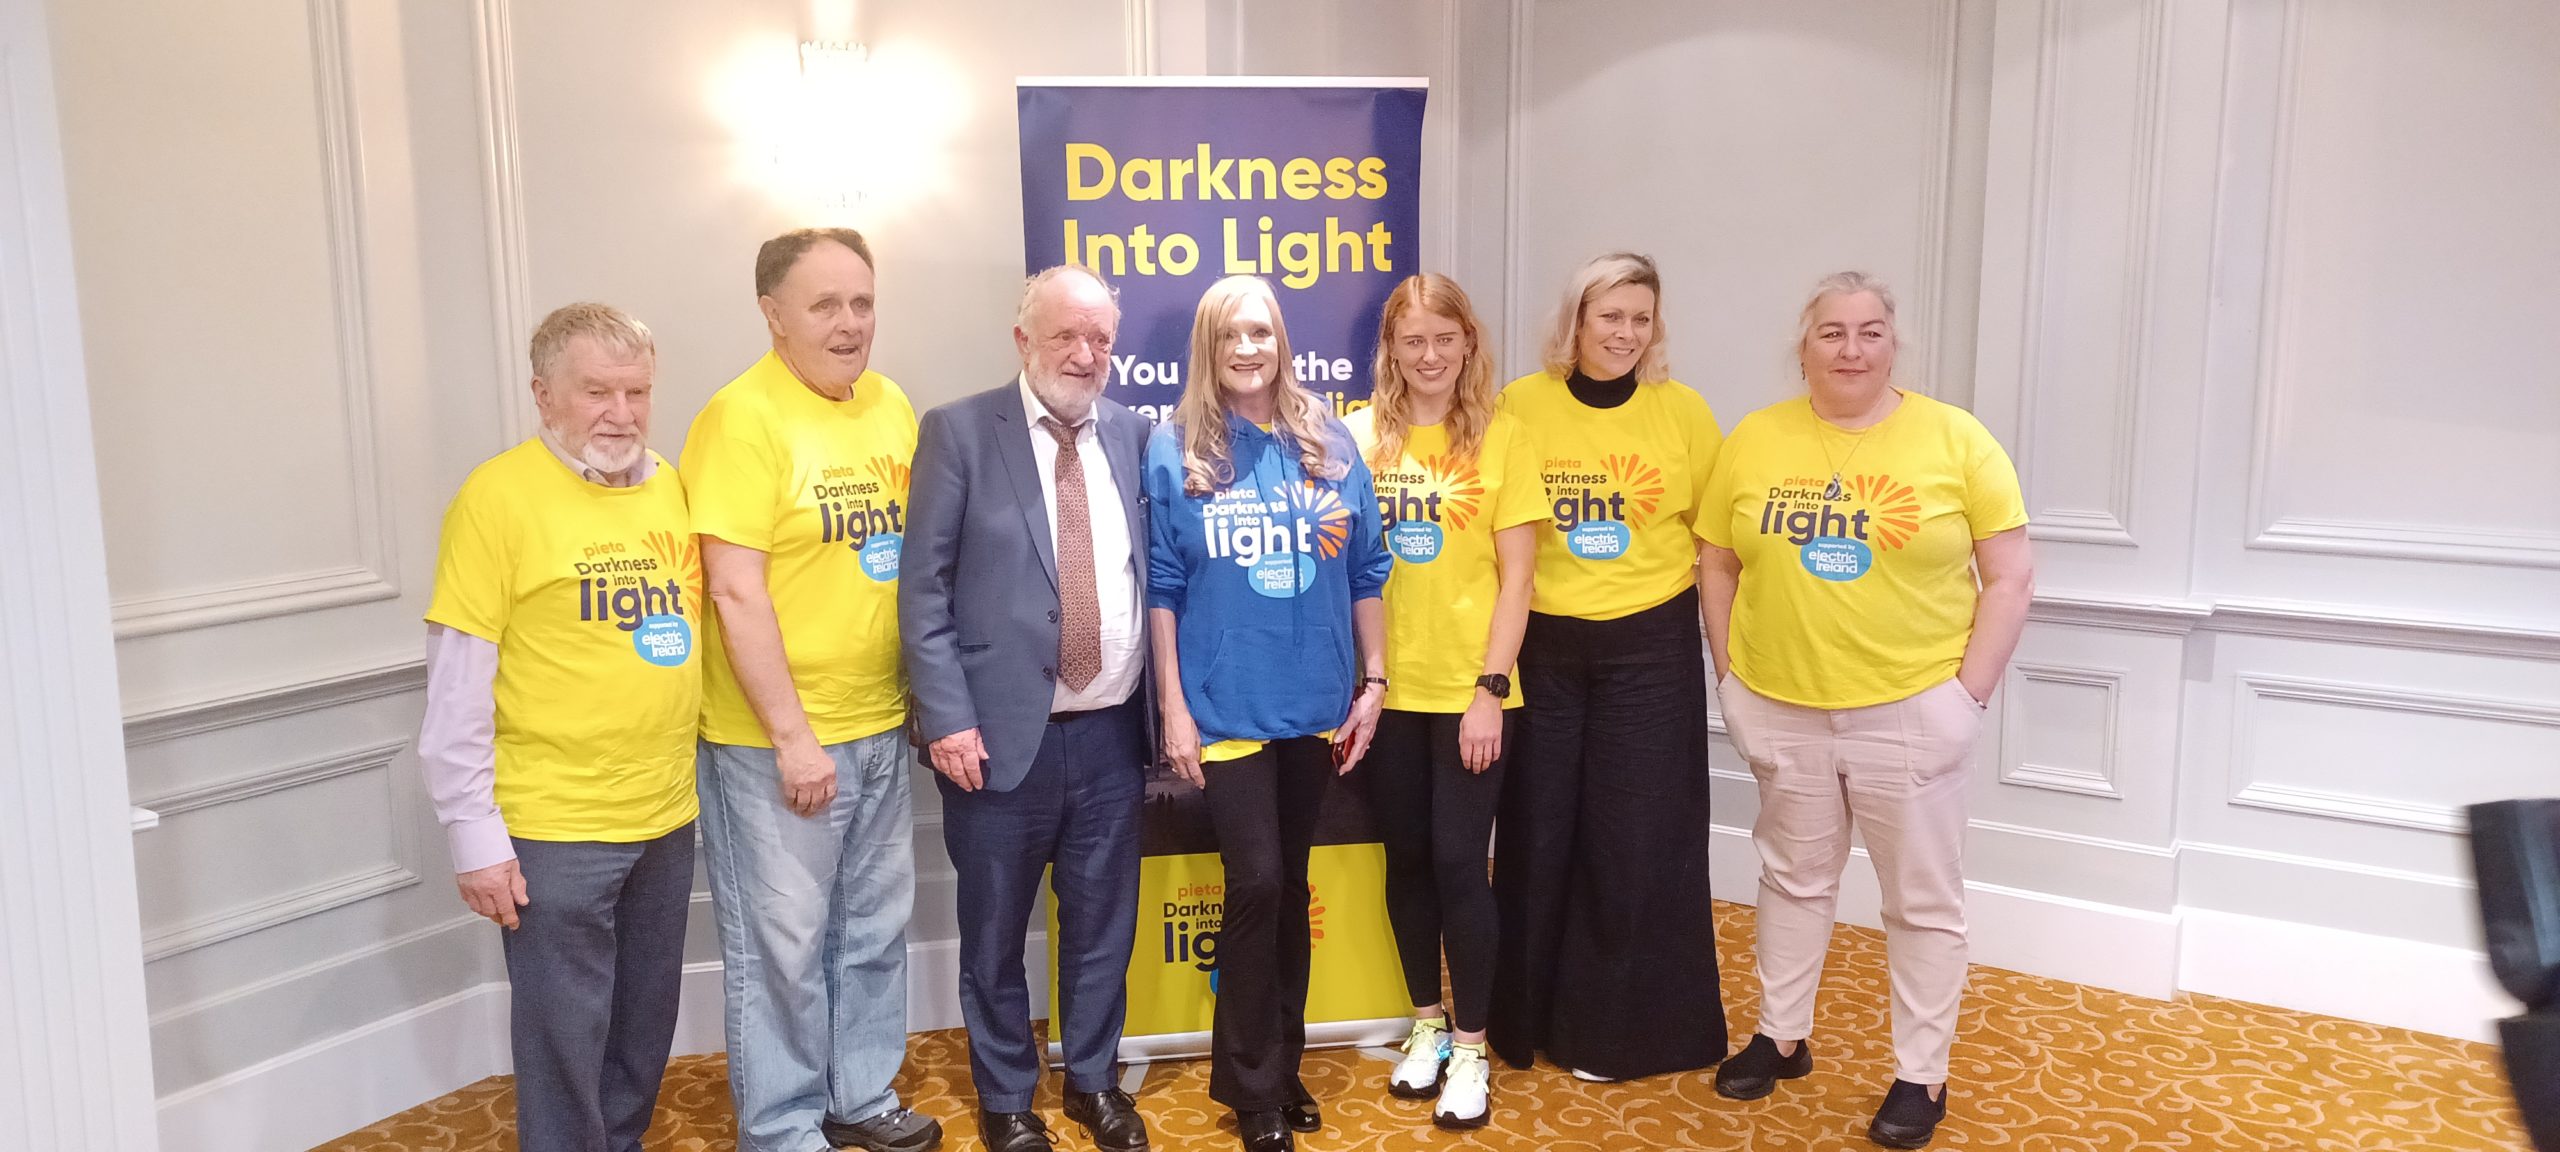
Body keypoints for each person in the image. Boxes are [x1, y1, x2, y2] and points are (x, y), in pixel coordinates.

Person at [1699, 271, 2033, 1149]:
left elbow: (2011, 576)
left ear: (1893, 343)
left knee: (1920, 902)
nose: (1852, 349)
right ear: (1804, 345)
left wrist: (1967, 695)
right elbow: (1717, 561)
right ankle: (1781, 1035)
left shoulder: (1956, 440)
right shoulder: (1756, 438)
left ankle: (1922, 1074)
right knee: (1792, 878)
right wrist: (1730, 678)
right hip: (1781, 703)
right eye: (1833, 333)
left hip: (1912, 708)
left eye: (1870, 332)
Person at [416, 302, 700, 1152]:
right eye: (597, 392)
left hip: (666, 815)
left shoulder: (671, 485)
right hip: (554, 827)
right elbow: (457, 685)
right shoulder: (495, 499)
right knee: (564, 1042)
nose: (622, 413)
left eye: (637, 392)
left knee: (642, 1025)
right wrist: (474, 834)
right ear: (544, 395)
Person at [680, 228, 938, 1152]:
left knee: (872, 930)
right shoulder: (740, 419)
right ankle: (784, 1127)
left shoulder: (890, 405)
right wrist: (793, 736)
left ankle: (859, 1095)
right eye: (825, 304)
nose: (849, 323)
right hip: (775, 742)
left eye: (862, 302)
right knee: (782, 948)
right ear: (773, 314)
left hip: (879, 724)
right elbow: (733, 589)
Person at [899, 265, 1153, 1152]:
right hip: (999, 739)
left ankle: (1093, 1082)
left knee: (1102, 928)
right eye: (1065, 336)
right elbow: (922, 592)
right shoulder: (961, 432)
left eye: (1100, 339)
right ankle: (1006, 1098)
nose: (1085, 355)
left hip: (1113, 735)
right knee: (995, 933)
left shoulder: (1134, 433)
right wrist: (946, 718)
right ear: (1023, 341)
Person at [1145, 275, 1393, 1152]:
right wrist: (1173, 706)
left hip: (1315, 704)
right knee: (1253, 881)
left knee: (1289, 885)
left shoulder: (1330, 438)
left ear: (1281, 340)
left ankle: (1283, 1065)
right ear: (1208, 348)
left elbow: (1367, 569)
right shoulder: (1175, 447)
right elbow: (1164, 586)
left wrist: (1374, 681)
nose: (1247, 349)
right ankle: (1250, 1085)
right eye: (1230, 335)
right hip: (1225, 709)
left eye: (1260, 332)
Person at [1486, 251, 1728, 1081]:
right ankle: (1524, 1021)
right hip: (1544, 646)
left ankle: (1618, 1034)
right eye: (1610, 316)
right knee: (1537, 829)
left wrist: (1729, 656)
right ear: (1577, 322)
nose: (1626, 333)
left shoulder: (1683, 412)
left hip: (1650, 646)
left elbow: (1714, 540)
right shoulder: (1521, 405)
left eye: (1640, 319)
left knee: (1637, 838)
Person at [1340, 273, 1542, 1130]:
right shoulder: (1355, 437)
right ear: (1391, 348)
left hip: (1472, 694)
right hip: (1387, 693)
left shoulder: (1505, 436)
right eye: (1413, 340)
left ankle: (1472, 1045)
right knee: (1409, 861)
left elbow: (1518, 579)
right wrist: (1366, 679)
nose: (1429, 356)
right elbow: (1346, 566)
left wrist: (1490, 690)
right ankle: (1426, 1024)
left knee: (1462, 863)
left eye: (1444, 339)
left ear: (1469, 344)